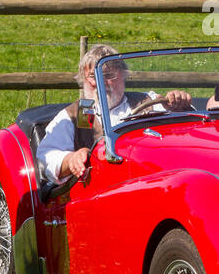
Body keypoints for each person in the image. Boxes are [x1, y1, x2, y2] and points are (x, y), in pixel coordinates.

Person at [37, 45, 192, 182]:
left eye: (109, 76)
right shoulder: (75, 115)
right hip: (98, 192)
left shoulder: (147, 101)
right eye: (93, 76)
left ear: (123, 76)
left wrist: (179, 105)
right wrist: (71, 159)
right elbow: (45, 159)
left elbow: (184, 137)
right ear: (84, 79)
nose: (100, 83)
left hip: (150, 179)